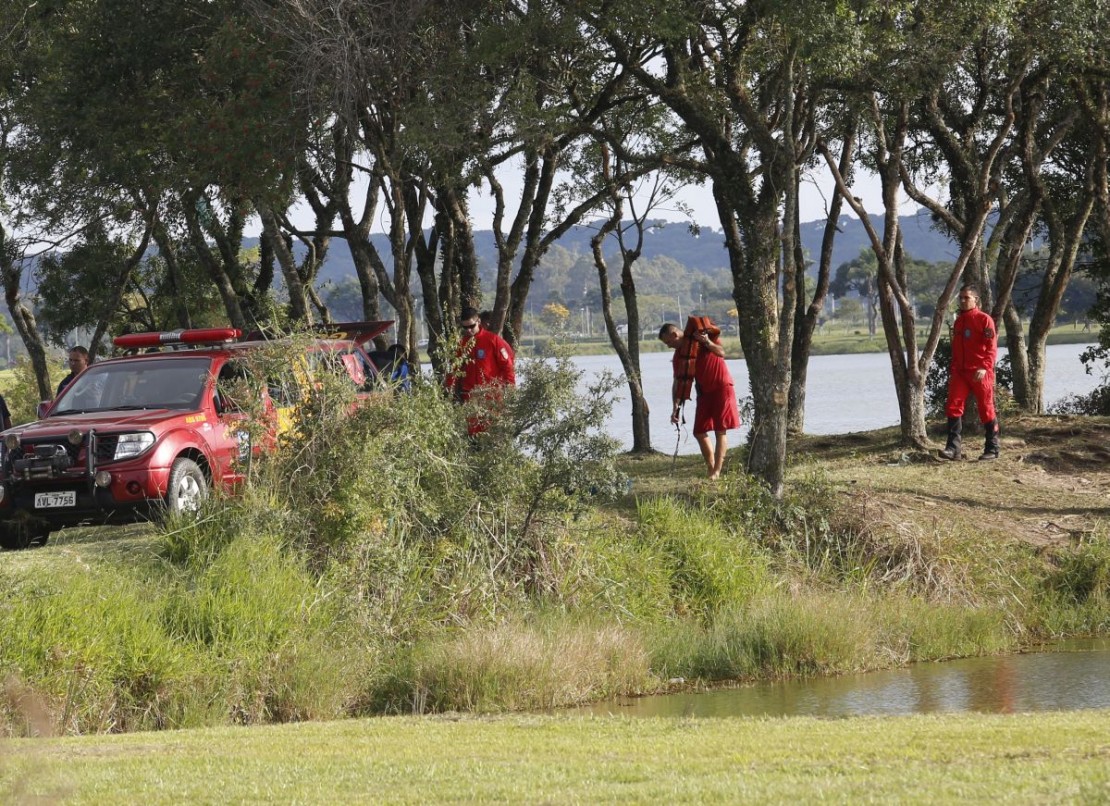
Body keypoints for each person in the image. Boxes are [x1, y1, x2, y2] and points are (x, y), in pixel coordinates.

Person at [658, 322, 740, 479]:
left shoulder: (702, 339)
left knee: (720, 429)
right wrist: (675, 407)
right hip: (704, 393)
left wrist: (707, 342)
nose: (669, 346)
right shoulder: (679, 356)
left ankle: (716, 471)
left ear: (675, 335)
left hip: (722, 387)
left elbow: (721, 353)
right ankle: (711, 469)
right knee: (699, 431)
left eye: (669, 342)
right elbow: (677, 381)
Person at [941, 283, 1000, 461]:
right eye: (961, 298)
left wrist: (985, 367)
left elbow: (991, 347)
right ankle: (953, 449)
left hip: (980, 371)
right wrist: (954, 369)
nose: (963, 301)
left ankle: (992, 448)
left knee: (986, 408)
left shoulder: (984, 319)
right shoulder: (959, 321)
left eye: (967, 298)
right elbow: (956, 349)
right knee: (953, 406)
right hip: (960, 372)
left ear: (976, 299)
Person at [445, 306, 515, 435]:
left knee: (493, 432)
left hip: (492, 394)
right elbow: (455, 370)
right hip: (471, 395)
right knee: (474, 435)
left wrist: (511, 390)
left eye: (471, 326)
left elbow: (508, 367)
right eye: (465, 328)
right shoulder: (462, 344)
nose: (469, 330)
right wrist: (449, 391)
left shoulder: (493, 340)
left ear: (478, 321)